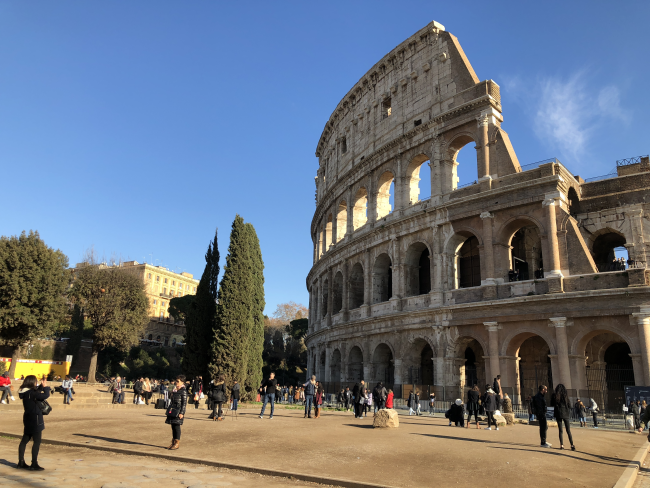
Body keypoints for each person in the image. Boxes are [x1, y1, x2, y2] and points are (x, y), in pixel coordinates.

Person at [17, 375, 50, 470]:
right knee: (37, 441)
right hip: (36, 419)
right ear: (32, 382)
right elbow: (45, 395)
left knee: (24, 441)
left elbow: (36, 393)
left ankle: (21, 462)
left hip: (27, 418)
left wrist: (41, 386)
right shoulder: (32, 393)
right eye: (35, 381)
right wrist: (46, 387)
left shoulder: (24, 392)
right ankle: (34, 464)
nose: (36, 383)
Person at [165, 375, 188, 450]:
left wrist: (182, 413)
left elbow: (184, 403)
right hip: (173, 410)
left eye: (178, 381)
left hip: (178, 410)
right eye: (176, 381)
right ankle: (173, 442)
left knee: (177, 427)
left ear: (182, 382)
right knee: (173, 426)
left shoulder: (183, 391)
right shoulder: (175, 390)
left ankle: (177, 443)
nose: (176, 382)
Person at [551, 384, 575, 451]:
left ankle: (561, 445)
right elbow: (569, 405)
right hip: (565, 414)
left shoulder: (555, 395)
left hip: (558, 413)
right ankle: (572, 445)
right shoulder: (565, 396)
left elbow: (551, 404)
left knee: (560, 430)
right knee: (568, 430)